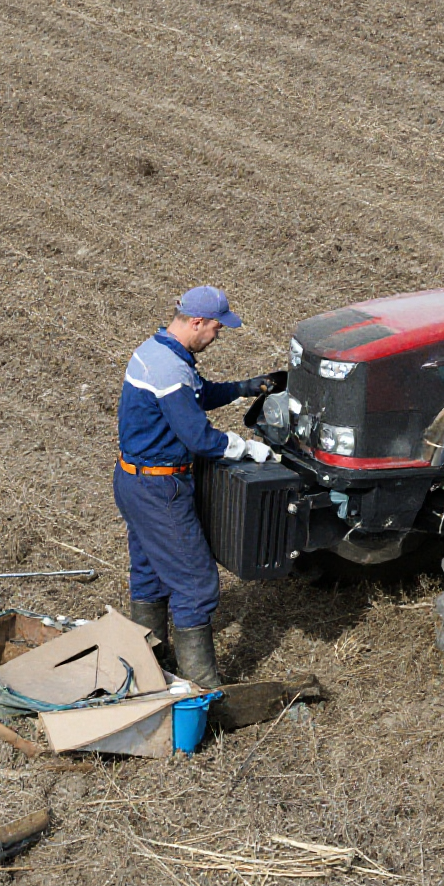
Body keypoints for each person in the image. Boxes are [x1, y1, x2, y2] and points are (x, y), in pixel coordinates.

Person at [114, 286, 282, 688]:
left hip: (132, 480)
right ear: (197, 322)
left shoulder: (156, 352)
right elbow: (201, 439)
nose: (217, 336)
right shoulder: (171, 372)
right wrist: (249, 449)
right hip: (159, 490)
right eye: (216, 328)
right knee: (195, 583)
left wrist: (244, 388)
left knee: (150, 572)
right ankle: (201, 687)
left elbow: (198, 394)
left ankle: (148, 665)